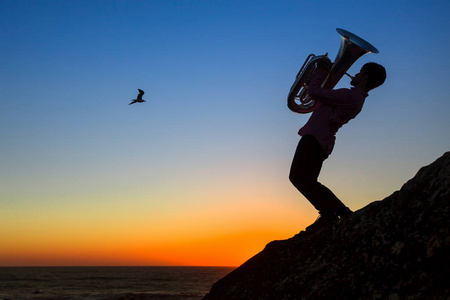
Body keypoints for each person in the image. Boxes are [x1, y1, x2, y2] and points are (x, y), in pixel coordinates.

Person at [289, 61, 386, 231]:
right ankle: (333, 213)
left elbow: (314, 92)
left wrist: (320, 70)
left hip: (315, 138)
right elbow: (320, 96)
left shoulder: (351, 96)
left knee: (301, 179)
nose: (355, 74)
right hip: (318, 138)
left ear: (365, 78)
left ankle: (337, 213)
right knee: (305, 180)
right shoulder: (353, 97)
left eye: (360, 72)